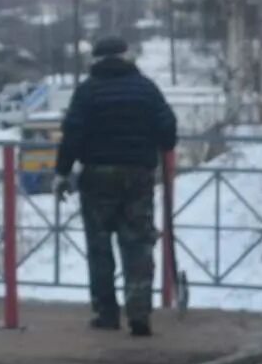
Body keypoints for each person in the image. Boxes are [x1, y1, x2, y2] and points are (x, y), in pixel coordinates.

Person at [55, 33, 178, 337]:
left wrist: (62, 172)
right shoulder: (146, 89)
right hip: (138, 176)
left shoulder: (87, 92)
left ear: (95, 61)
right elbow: (168, 130)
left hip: (97, 176)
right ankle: (139, 314)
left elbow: (72, 134)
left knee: (99, 248)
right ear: (127, 57)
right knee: (138, 244)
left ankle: (106, 313)